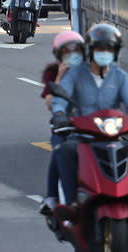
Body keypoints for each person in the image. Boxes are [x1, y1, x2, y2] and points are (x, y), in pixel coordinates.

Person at [51, 23, 128, 212]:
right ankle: (70, 203)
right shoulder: (75, 74)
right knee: (64, 151)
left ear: (115, 52)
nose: (104, 52)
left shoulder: (120, 76)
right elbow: (60, 100)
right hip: (82, 136)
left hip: (113, 136)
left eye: (109, 48)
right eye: (100, 48)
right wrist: (59, 114)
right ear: (91, 50)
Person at [39, 30, 86, 216]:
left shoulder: (90, 70)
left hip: (91, 125)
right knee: (59, 152)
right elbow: (50, 103)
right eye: (67, 52)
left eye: (76, 51)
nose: (73, 55)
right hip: (65, 127)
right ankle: (52, 197)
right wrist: (60, 76)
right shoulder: (52, 73)